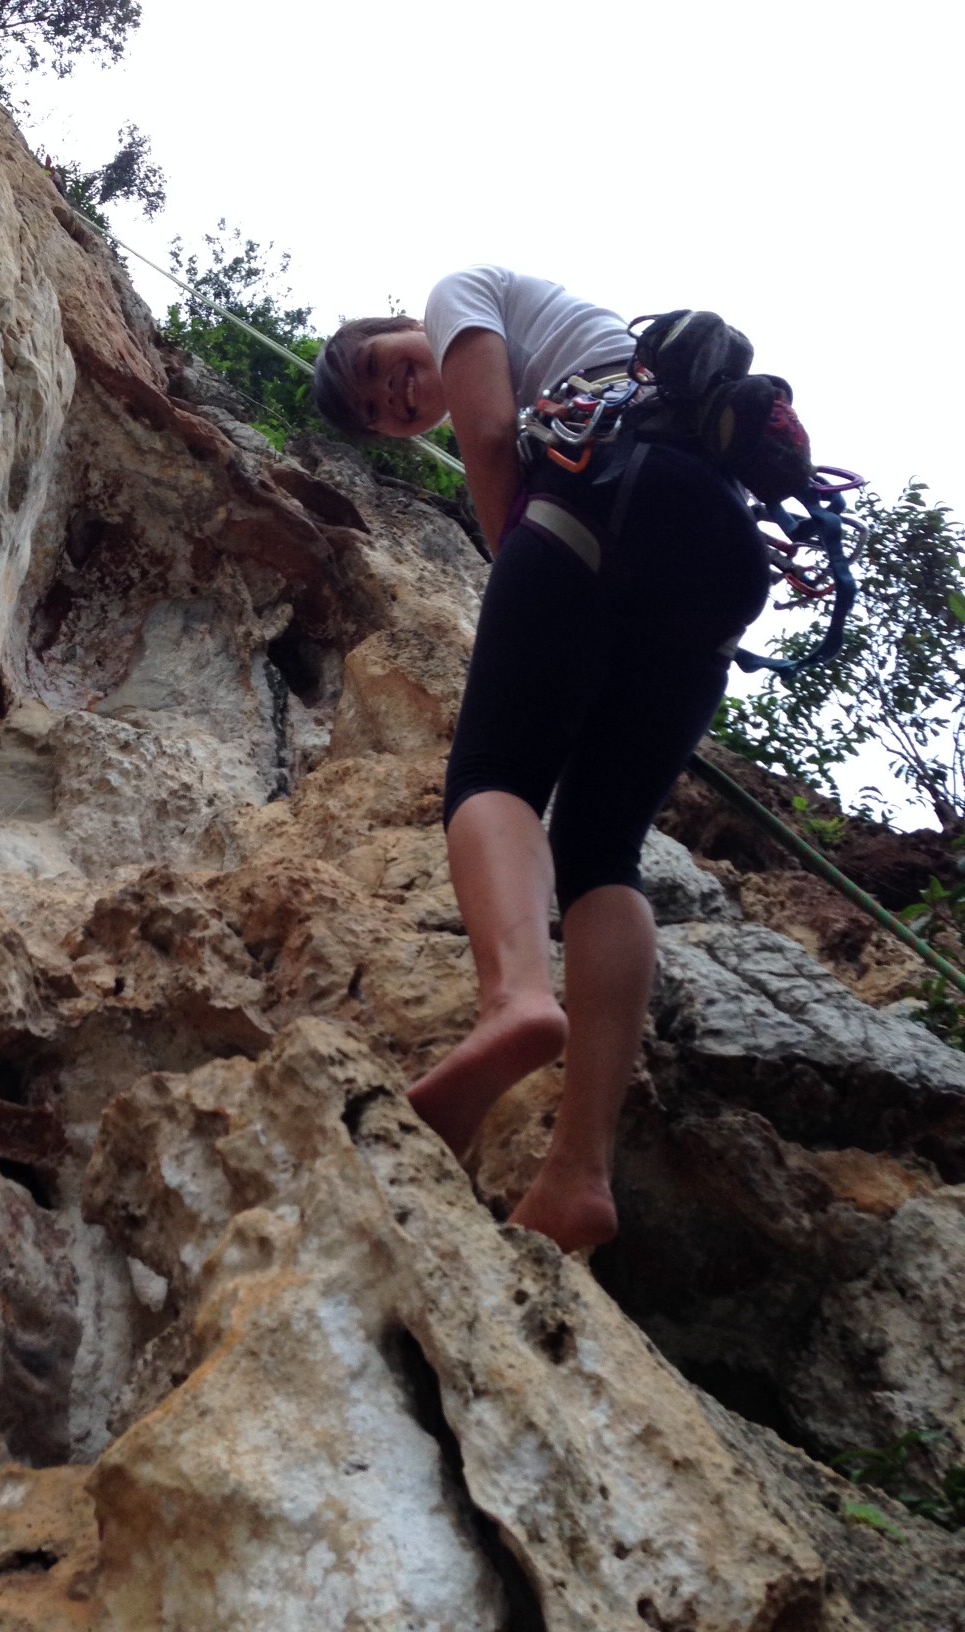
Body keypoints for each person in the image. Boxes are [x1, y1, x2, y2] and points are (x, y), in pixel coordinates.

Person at [312, 266, 771, 1252]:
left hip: (598, 494)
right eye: (383, 412)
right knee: (602, 848)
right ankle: (578, 1177)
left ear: (405, 322)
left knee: (495, 774)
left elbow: (486, 437)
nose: (399, 396)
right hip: (716, 549)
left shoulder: (460, 288)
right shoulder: (604, 349)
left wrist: (523, 561)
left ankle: (516, 997)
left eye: (385, 368)